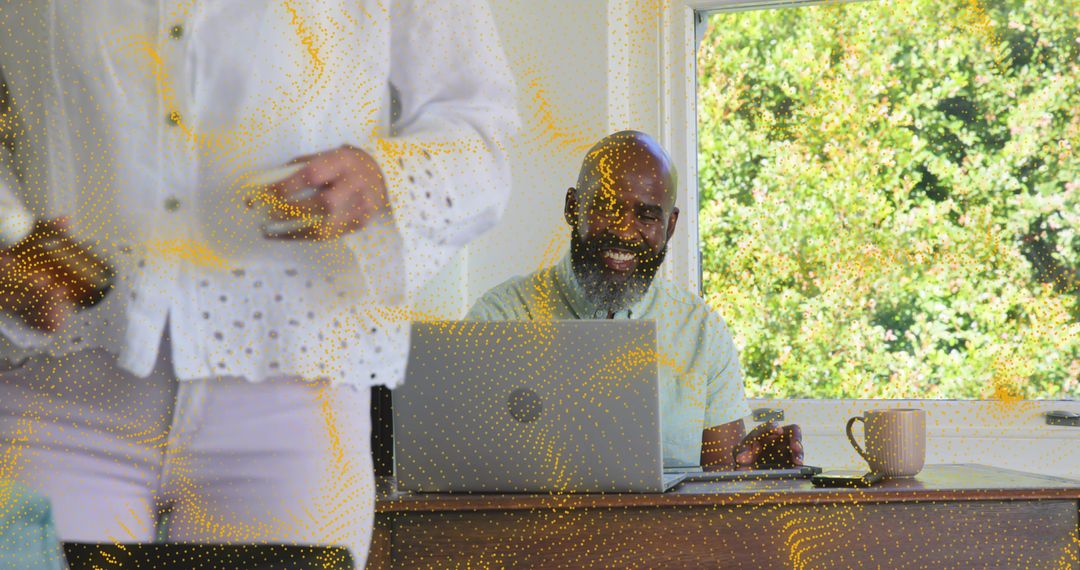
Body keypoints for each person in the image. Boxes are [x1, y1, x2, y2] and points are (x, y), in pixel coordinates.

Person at [0, 1, 517, 564]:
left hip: (299, 391)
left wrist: (382, 178)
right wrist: (5, 234)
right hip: (55, 392)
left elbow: (479, 127)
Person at [468, 131, 801, 471]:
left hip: (666, 528)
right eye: (607, 207)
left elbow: (719, 488)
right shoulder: (498, 319)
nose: (625, 231)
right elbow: (463, 472)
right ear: (573, 207)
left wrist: (756, 469)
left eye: (647, 216)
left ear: (670, 226)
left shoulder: (702, 333)